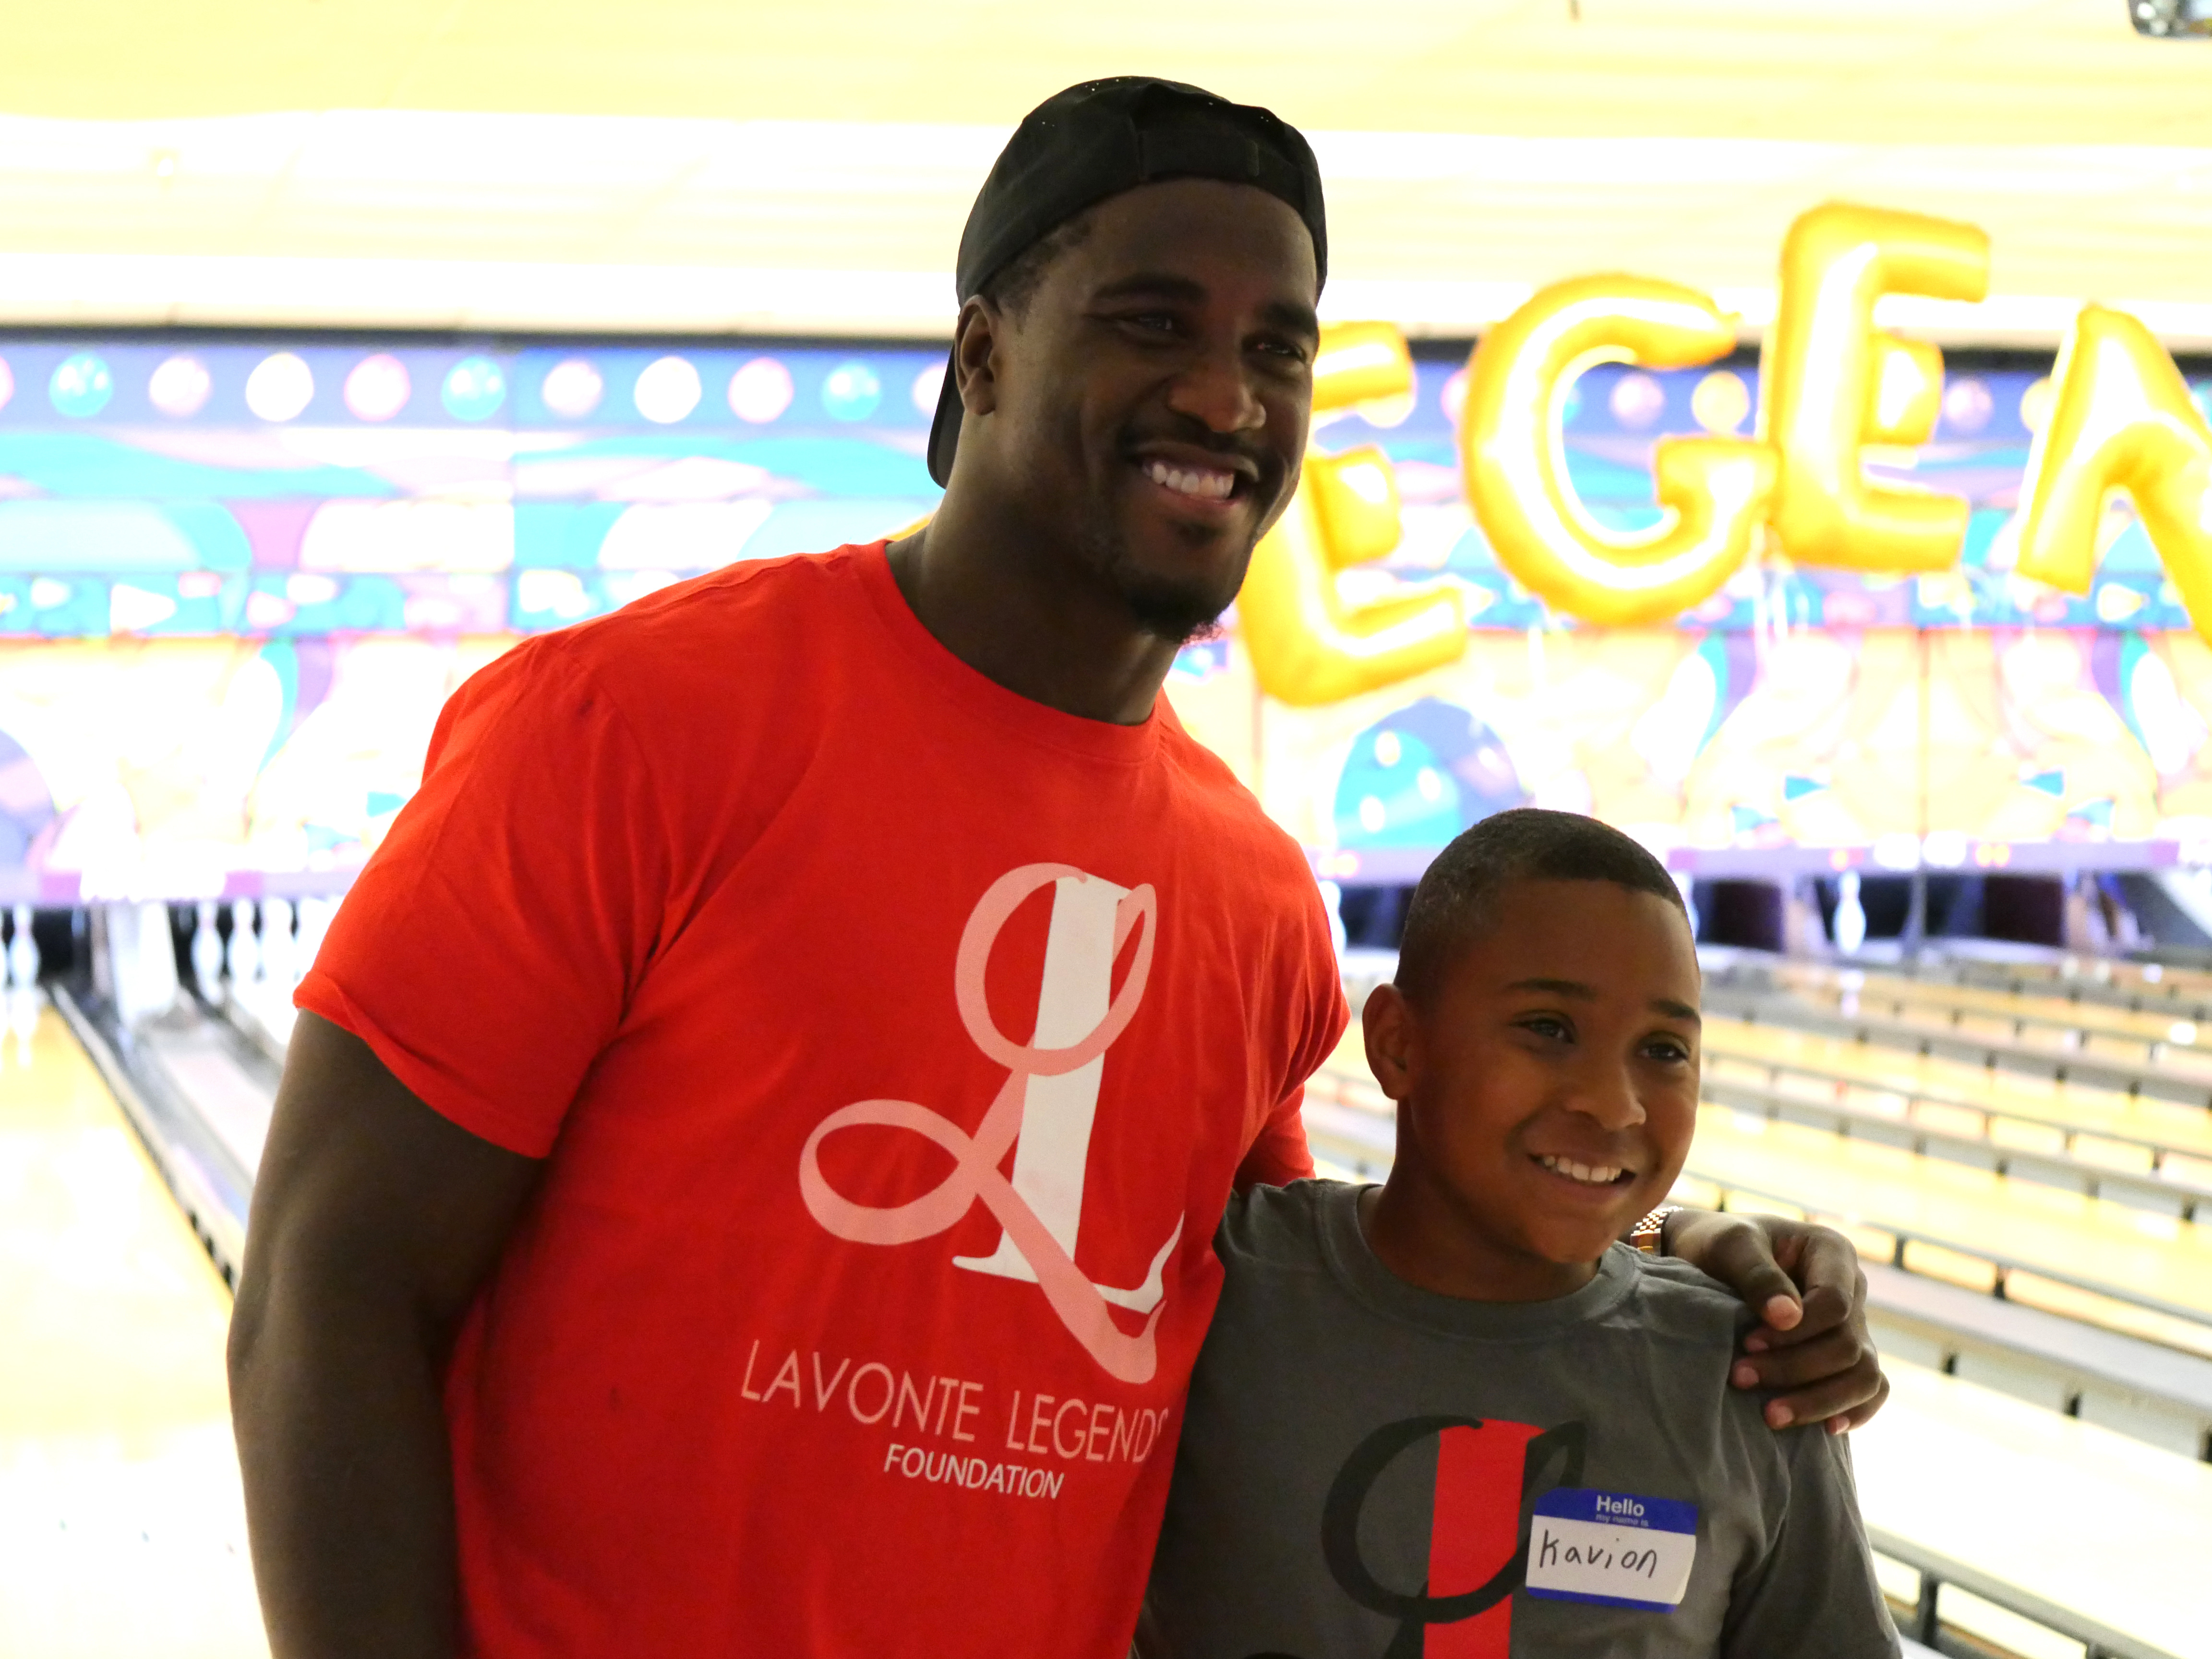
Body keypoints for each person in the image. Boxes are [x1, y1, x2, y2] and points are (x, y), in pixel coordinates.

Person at [226, 78, 1886, 1659]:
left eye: (1275, 349)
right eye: (1150, 321)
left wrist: (1670, 1266)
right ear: (984, 352)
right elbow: (324, 1284)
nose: (1226, 396)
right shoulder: (631, 726)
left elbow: (1318, 1324)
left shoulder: (1249, 902)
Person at [1139, 808, 1899, 1659]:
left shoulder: (1756, 1376)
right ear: (1396, 1044)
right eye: (1548, 1029)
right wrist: (1671, 1229)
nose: (1614, 1104)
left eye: (1664, 1049)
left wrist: (1664, 1233)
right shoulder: (1210, 1285)